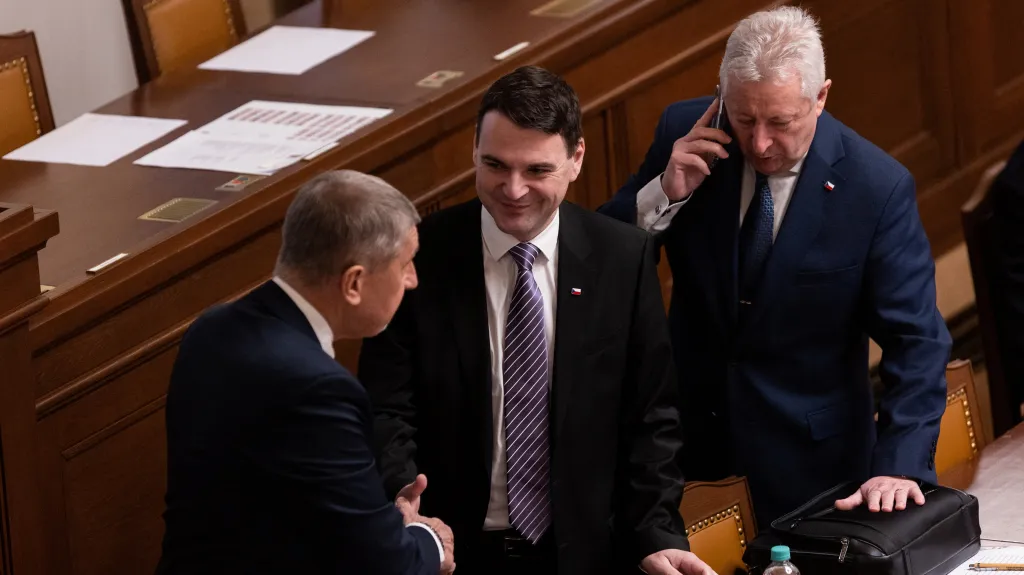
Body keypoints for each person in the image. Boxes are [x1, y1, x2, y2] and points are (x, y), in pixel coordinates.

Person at [599, 6, 951, 526]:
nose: (759, 143)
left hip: (817, 473)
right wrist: (663, 196)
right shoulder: (685, 132)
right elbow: (601, 264)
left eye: (780, 122)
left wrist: (899, 466)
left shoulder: (876, 188)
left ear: (821, 98)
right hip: (688, 459)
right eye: (743, 119)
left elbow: (917, 341)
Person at [358, 66, 713, 575]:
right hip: (451, 553)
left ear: (576, 159)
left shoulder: (621, 258)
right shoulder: (420, 254)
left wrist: (654, 534)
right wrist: (401, 494)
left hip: (587, 556)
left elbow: (651, 420)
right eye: (495, 165)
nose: (514, 189)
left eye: (537, 171)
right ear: (473, 152)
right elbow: (385, 407)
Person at [157, 171, 455, 575]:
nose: (413, 279)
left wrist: (380, 520)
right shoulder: (318, 389)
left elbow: (292, 504)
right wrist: (427, 540)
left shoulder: (210, 330)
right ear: (354, 282)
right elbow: (385, 564)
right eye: (404, 264)